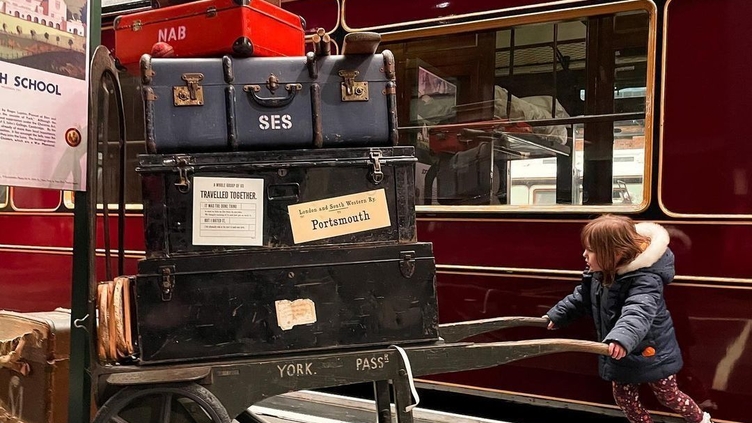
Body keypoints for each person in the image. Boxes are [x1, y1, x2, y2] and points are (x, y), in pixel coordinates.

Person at [544, 215, 714, 423]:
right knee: (624, 398)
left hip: (651, 350)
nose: (584, 255)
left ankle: (701, 420)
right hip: (621, 349)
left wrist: (621, 338)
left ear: (614, 253)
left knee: (668, 395)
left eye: (591, 250)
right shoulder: (598, 273)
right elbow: (581, 297)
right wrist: (557, 315)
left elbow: (638, 310)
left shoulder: (645, 278)